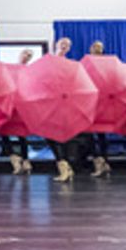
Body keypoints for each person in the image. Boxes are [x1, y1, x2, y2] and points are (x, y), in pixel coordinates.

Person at [47, 37, 80, 184]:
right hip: (49, 102)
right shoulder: (47, 61)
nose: (64, 47)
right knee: (49, 135)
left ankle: (64, 167)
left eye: (67, 45)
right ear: (56, 45)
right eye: (62, 44)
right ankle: (64, 165)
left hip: (64, 103)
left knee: (62, 136)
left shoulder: (70, 64)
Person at [3, 48, 34, 174]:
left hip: (23, 105)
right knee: (3, 131)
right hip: (9, 104)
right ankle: (13, 157)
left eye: (29, 55)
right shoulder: (8, 68)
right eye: (25, 53)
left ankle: (26, 160)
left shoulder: (31, 71)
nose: (26, 56)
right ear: (20, 54)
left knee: (22, 134)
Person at [85, 41, 112, 177]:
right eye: (96, 47)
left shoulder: (106, 64)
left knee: (101, 134)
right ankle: (99, 160)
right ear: (91, 48)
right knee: (89, 134)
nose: (98, 50)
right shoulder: (85, 63)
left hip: (102, 103)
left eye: (100, 48)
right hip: (89, 102)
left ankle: (104, 161)